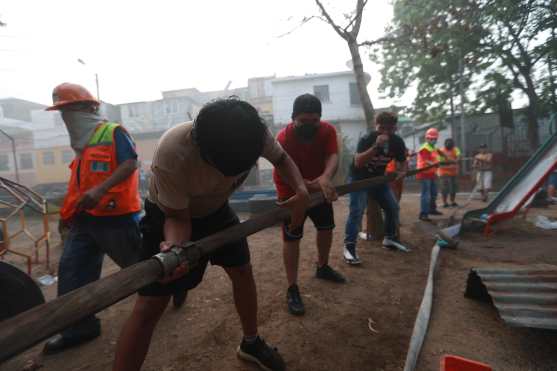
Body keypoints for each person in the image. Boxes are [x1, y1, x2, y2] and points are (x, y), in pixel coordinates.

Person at [113, 98, 309, 371]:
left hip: (217, 210)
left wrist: (300, 190)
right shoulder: (173, 153)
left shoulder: (251, 132)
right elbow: (177, 217)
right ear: (200, 146)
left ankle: (251, 343)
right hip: (169, 215)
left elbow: (282, 159)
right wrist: (175, 249)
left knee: (242, 271)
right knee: (150, 305)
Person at [42, 83, 142, 354]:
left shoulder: (114, 132)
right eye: (62, 113)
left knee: (140, 268)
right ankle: (79, 328)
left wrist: (100, 189)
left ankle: (171, 287)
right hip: (84, 221)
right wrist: (68, 215)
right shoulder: (82, 146)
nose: (66, 118)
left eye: (69, 110)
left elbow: (131, 163)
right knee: (73, 273)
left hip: (117, 220)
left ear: (88, 108)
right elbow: (78, 185)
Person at [273, 94, 346, 316]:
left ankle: (322, 267)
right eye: (303, 121)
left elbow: (332, 156)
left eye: (314, 121)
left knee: (326, 228)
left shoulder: (327, 131)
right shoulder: (283, 139)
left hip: (318, 188)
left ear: (320, 119)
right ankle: (292, 287)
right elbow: (284, 170)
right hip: (291, 191)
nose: (309, 125)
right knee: (292, 236)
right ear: (293, 118)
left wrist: (325, 178)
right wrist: (304, 187)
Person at [343, 112, 408, 265]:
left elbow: (402, 162)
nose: (385, 132)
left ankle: (390, 238)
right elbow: (358, 162)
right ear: (376, 126)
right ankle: (349, 247)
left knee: (392, 207)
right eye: (382, 128)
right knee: (356, 211)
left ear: (395, 128)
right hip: (358, 179)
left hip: (378, 179)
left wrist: (402, 172)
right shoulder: (368, 139)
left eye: (390, 129)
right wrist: (376, 146)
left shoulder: (397, 142)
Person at [416, 128, 442, 222]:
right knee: (426, 194)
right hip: (424, 173)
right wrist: (435, 164)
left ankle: (432, 209)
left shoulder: (434, 148)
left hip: (432, 173)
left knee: (434, 193)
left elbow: (438, 157)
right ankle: (423, 214)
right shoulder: (425, 148)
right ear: (426, 138)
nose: (432, 140)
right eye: (430, 138)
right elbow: (426, 160)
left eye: (434, 139)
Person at [438, 138, 461, 208]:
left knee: (453, 188)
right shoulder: (441, 151)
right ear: (445, 144)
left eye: (451, 144)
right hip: (444, 173)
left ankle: (453, 201)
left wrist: (453, 160)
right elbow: (441, 162)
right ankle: (445, 203)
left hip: (453, 172)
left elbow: (458, 158)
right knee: (444, 188)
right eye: (447, 144)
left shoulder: (455, 149)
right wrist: (451, 161)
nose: (449, 146)